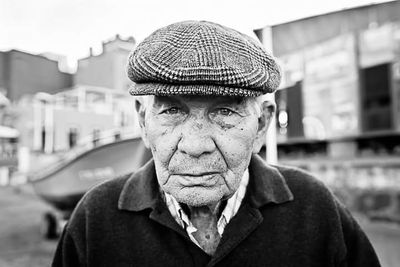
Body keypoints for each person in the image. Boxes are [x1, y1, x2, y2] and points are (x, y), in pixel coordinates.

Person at [52, 20, 380, 267]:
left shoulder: (313, 208)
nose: (195, 145)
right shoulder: (96, 218)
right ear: (142, 120)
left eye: (224, 111)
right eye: (171, 110)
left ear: (262, 123)